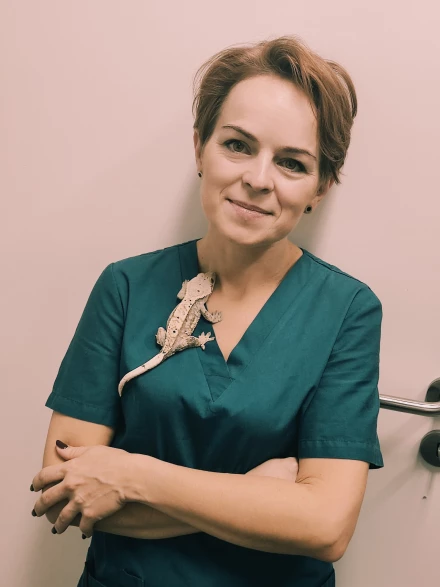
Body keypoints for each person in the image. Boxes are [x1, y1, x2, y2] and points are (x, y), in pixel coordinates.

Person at [31, 34, 384, 587]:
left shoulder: (347, 311)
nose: (258, 179)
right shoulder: (125, 286)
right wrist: (260, 495)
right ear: (200, 148)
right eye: (237, 145)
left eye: (292, 163)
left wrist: (132, 476)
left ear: (321, 186)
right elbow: (63, 492)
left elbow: (325, 527)